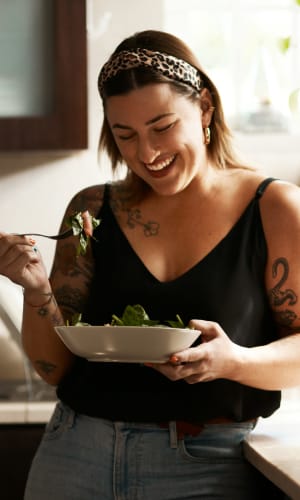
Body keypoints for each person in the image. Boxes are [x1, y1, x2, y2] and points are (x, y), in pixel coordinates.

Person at [0, 29, 300, 500]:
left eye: (162, 127)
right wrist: (36, 289)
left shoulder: (274, 208)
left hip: (208, 467)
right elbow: (54, 368)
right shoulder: (92, 210)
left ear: (204, 107)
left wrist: (232, 362)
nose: (147, 154)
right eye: (126, 136)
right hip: (74, 454)